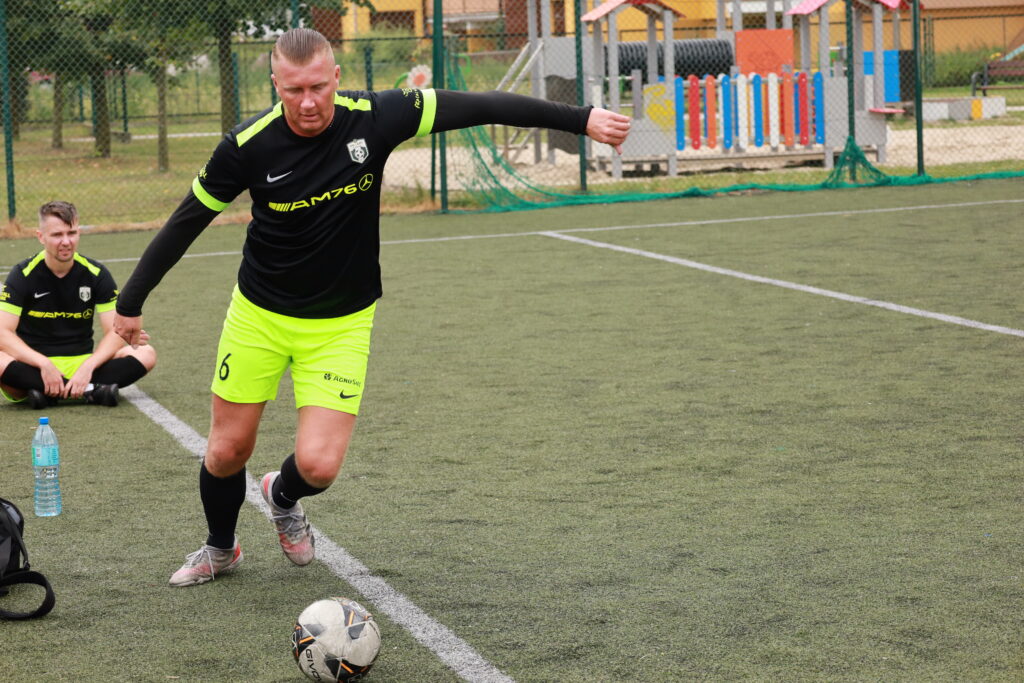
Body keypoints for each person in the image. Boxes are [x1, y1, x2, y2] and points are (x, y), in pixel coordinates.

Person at [113, 27, 631, 587]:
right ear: (275, 86)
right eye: (293, 90)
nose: (307, 102)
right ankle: (221, 548)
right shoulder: (247, 146)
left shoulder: (379, 116)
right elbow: (186, 221)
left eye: (318, 87)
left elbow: (481, 105)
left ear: (336, 78)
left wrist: (580, 119)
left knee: (319, 467)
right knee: (226, 450)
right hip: (259, 316)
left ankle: (281, 496)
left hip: (342, 323)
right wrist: (130, 301)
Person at [0, 201, 157, 409]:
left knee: (146, 353)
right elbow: (3, 333)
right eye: (57, 235)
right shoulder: (22, 274)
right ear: (41, 237)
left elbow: (116, 331)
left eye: (72, 233)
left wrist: (88, 366)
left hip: (82, 364)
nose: (66, 241)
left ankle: (48, 393)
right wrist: (43, 363)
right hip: (34, 366)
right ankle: (91, 390)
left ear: (79, 233)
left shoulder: (96, 273)